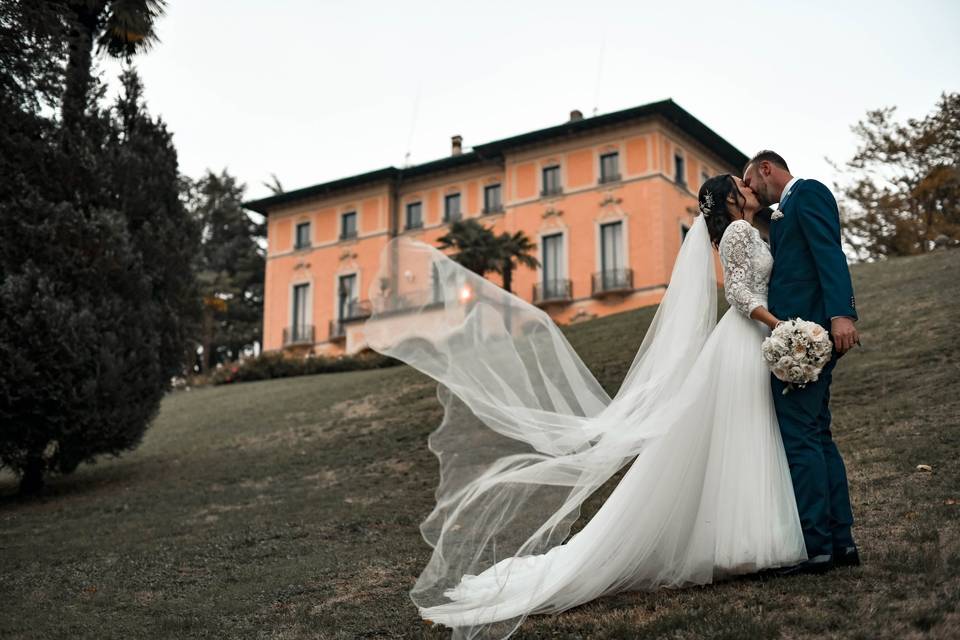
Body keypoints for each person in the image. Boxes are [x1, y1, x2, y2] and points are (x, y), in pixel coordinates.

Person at [361, 170, 844, 639]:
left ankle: (762, 540)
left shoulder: (749, 228)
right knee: (747, 435)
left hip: (751, 341)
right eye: (741, 186)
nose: (749, 187)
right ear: (732, 201)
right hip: (746, 337)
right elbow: (740, 294)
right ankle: (756, 543)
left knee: (751, 436)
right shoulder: (739, 232)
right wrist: (781, 325)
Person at [742, 151, 860, 574]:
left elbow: (829, 252)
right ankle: (840, 543)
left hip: (802, 341)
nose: (749, 189)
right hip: (799, 336)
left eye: (750, 180)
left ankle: (817, 546)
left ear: (766, 169)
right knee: (817, 435)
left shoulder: (807, 193)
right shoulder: (782, 212)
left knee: (802, 439)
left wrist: (842, 313)